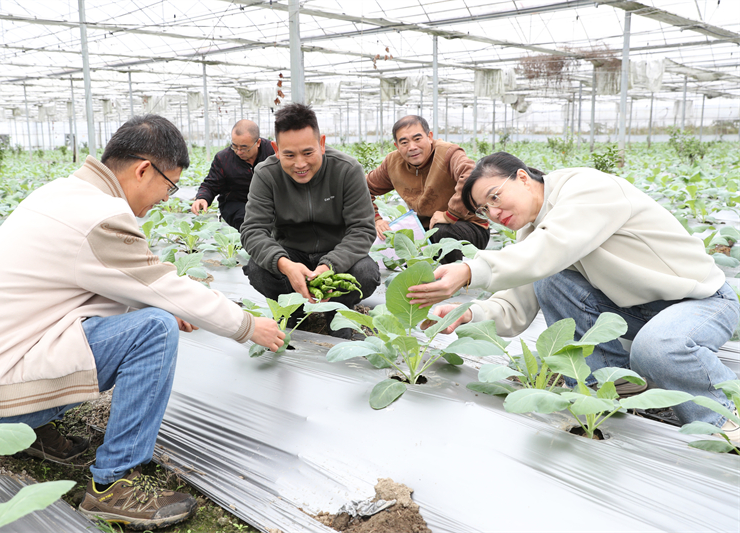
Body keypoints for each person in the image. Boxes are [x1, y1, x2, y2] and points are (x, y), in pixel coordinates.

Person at [0, 115, 285, 529]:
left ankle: (35, 437)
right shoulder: (100, 216)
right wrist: (248, 326)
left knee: (147, 316)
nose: (165, 198)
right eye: (169, 185)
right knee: (155, 330)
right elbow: (165, 285)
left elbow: (87, 293)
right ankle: (113, 485)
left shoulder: (65, 193)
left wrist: (150, 306)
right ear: (143, 170)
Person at [408, 151, 739, 436]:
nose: (493, 213)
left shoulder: (587, 187)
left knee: (657, 348)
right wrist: (467, 314)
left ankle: (722, 421)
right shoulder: (532, 233)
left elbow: (553, 246)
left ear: (522, 177)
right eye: (483, 209)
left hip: (702, 300)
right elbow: (514, 305)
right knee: (550, 280)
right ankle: (608, 384)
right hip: (641, 310)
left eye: (494, 197)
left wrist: (469, 270)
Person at [240, 103, 379, 337]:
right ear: (275, 149)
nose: (300, 164)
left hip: (337, 256)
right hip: (292, 255)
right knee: (257, 268)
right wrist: (285, 264)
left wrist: (329, 265)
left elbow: (362, 229)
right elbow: (252, 231)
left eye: (308, 152)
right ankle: (291, 309)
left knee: (366, 272)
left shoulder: (347, 170)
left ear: (321, 144)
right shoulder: (266, 174)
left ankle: (339, 309)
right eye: (289, 155)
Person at [366, 115, 489, 263]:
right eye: (404, 142)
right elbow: (361, 187)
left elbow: (471, 176)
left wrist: (450, 215)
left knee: (442, 231)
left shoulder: (448, 153)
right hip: (424, 230)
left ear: (429, 137)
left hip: (469, 227)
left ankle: (452, 278)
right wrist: (376, 220)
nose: (412, 147)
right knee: (387, 236)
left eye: (417, 139)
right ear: (397, 146)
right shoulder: (392, 163)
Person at [191, 119, 275, 230]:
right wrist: (202, 198)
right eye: (235, 146)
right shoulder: (223, 158)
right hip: (236, 203)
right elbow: (211, 184)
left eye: (244, 148)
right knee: (250, 224)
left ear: (258, 143)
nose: (239, 151)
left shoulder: (273, 153)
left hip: (270, 201)